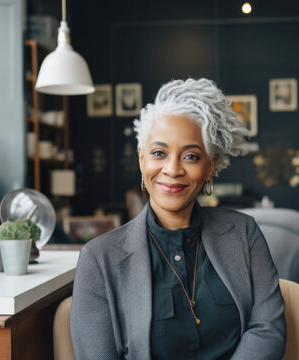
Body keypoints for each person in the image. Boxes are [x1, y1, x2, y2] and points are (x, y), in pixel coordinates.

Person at [71, 78, 286, 360]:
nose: (172, 169)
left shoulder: (244, 234)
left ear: (210, 168)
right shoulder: (99, 259)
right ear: (141, 159)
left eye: (191, 157)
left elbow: (268, 330)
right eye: (159, 153)